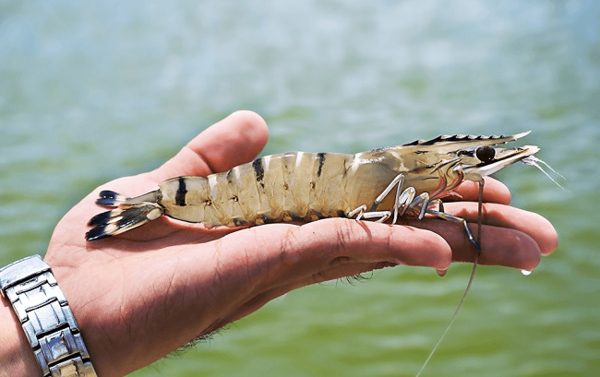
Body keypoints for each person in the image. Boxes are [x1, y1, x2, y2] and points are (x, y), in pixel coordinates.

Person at [0, 111, 558, 377]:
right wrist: (70, 306)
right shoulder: (402, 174)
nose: (479, 168)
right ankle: (156, 207)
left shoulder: (420, 168)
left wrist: (56, 323)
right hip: (247, 195)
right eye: (479, 159)